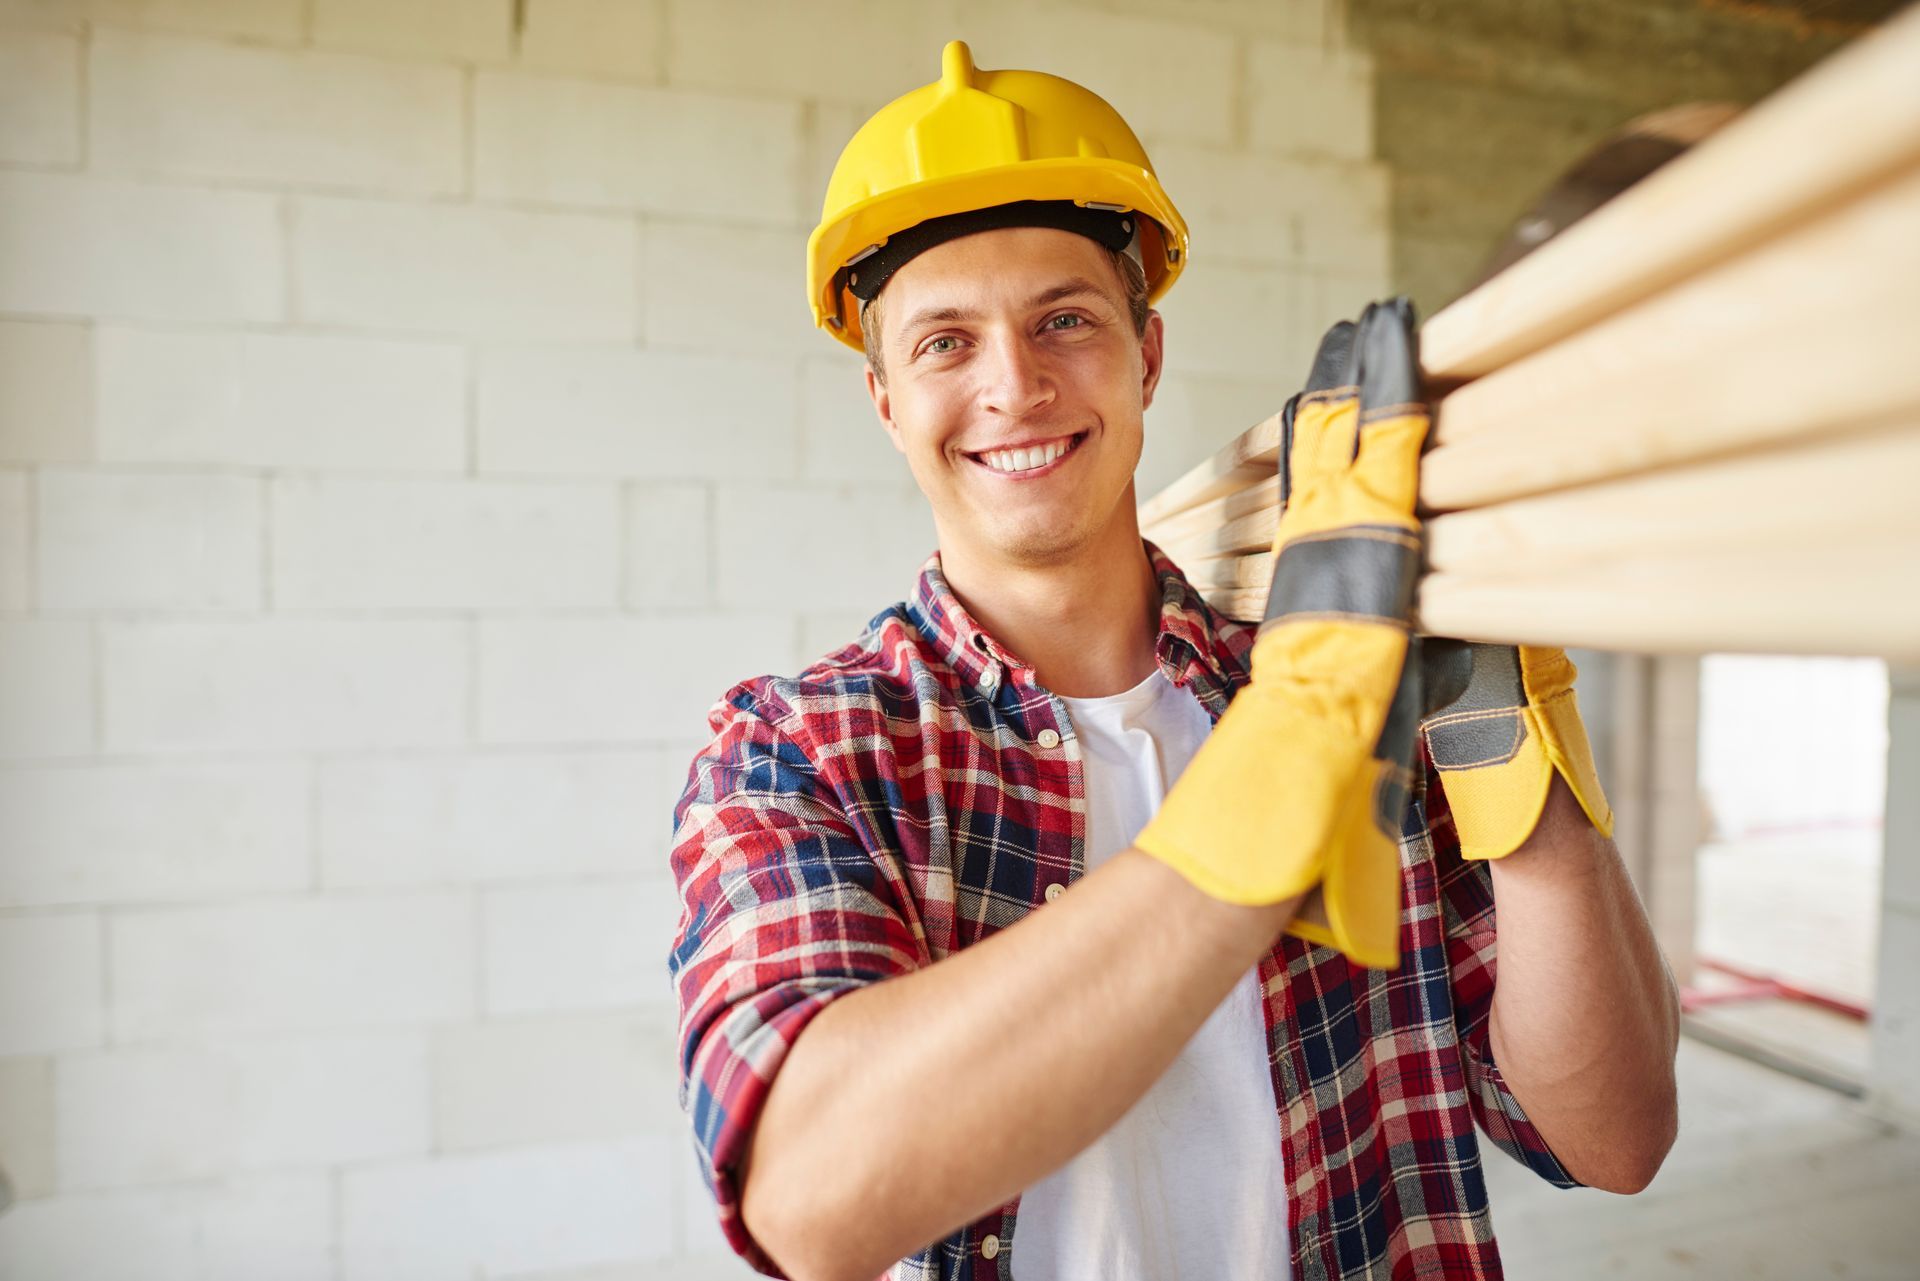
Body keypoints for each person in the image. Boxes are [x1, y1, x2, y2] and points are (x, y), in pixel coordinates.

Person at [668, 40, 1680, 1281]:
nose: (1016, 385)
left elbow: (1616, 1137)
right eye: (944, 344)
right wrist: (1292, 749)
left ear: (1146, 357)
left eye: (1066, 321)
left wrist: (1499, 737)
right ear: (887, 401)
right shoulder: (802, 754)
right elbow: (811, 1203)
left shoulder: (1346, 682)